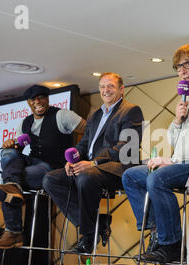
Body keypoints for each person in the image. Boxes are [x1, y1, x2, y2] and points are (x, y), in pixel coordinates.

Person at [122, 44, 189, 264]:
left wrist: (172, 160)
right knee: (131, 175)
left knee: (158, 177)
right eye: (178, 67)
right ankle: (156, 234)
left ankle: (171, 246)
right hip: (184, 163)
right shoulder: (186, 98)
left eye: (187, 65)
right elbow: (174, 140)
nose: (182, 71)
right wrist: (176, 120)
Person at [42, 72, 144, 254]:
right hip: (91, 169)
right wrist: (72, 159)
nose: (106, 90)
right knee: (50, 179)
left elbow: (127, 147)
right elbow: (83, 145)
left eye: (111, 86)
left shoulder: (131, 110)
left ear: (121, 89)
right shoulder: (95, 114)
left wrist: (94, 162)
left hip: (117, 169)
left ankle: (88, 236)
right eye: (102, 87)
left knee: (85, 176)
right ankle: (98, 223)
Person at [0, 84, 86, 249]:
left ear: (47, 99)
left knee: (9, 182)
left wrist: (80, 156)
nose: (37, 101)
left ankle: (13, 231)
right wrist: (11, 145)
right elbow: (16, 153)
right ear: (28, 102)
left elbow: (89, 132)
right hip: (33, 163)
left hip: (53, 168)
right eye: (33, 99)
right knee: (8, 154)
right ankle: (13, 187)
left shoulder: (62, 116)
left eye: (41, 97)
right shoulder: (25, 123)